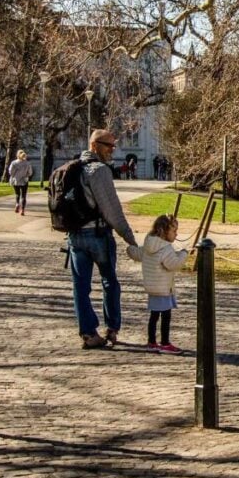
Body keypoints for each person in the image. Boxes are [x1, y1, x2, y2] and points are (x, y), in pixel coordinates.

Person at [67, 129, 140, 349]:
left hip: (75, 236)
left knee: (80, 286)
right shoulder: (99, 171)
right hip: (98, 235)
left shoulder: (73, 168)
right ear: (95, 145)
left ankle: (88, 333)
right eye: (109, 146)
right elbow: (112, 210)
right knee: (109, 282)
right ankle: (112, 327)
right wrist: (129, 238)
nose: (112, 150)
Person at [126, 214, 188, 354]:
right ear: (165, 232)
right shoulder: (166, 248)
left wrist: (129, 249)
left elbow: (137, 254)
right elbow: (173, 264)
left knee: (154, 316)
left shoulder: (149, 245)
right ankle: (165, 342)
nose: (176, 234)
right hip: (164, 288)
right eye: (174, 231)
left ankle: (152, 341)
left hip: (152, 288)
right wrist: (184, 254)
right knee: (166, 316)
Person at [6, 150, 33, 215]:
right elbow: (30, 173)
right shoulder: (27, 163)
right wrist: (26, 174)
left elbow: (10, 172)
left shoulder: (14, 163)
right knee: (23, 195)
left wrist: (15, 175)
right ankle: (22, 210)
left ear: (17, 155)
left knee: (17, 194)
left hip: (15, 180)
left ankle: (17, 204)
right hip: (24, 180)